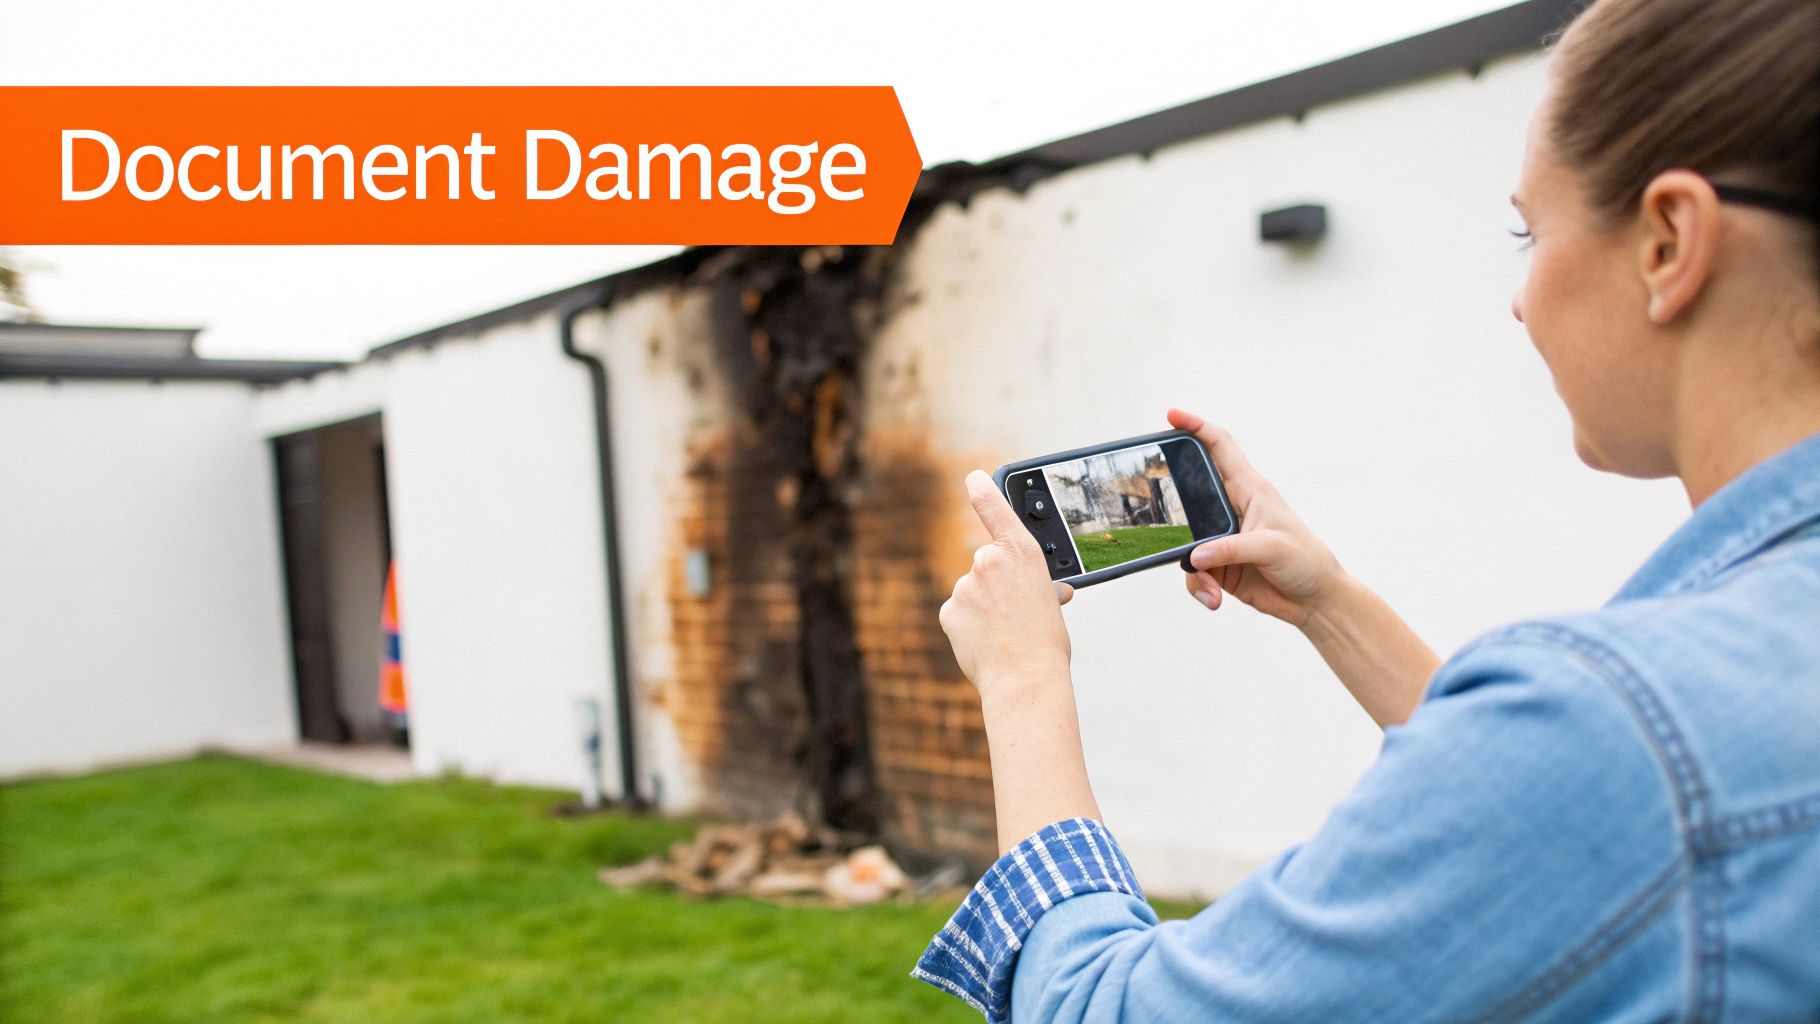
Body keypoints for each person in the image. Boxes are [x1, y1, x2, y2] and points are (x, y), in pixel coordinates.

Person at [913, 0, 1820, 1019]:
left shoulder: (1621, 728)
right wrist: (1328, 602)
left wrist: (1020, 679)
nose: (1518, 299)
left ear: (1666, 241)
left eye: (1528, 230)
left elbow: (1104, 1007)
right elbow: (1546, 825)